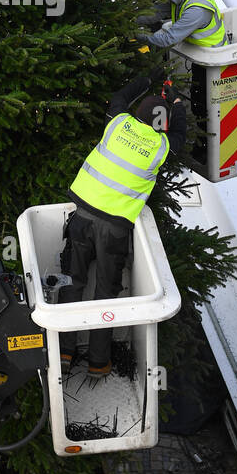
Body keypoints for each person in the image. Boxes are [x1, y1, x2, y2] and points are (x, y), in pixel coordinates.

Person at [58, 74, 186, 377]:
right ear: (161, 125)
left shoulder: (117, 124)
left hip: (82, 216)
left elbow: (119, 96)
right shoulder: (159, 146)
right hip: (113, 229)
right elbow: (180, 134)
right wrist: (176, 102)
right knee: (105, 292)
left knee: (72, 281)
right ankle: (99, 363)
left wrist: (145, 82)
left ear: (137, 114)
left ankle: (64, 351)